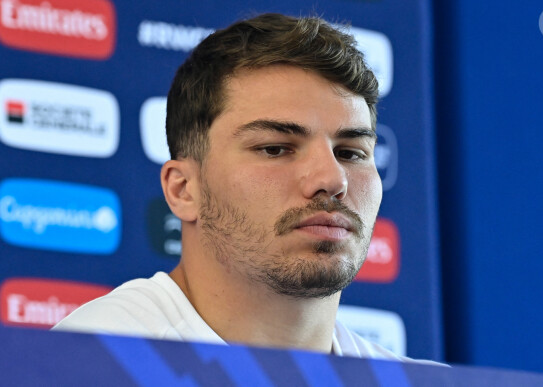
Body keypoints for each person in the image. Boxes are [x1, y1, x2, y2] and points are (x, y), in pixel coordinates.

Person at [53, 13, 438, 364]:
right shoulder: (81, 363)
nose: (332, 180)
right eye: (275, 149)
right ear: (184, 189)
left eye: (351, 153)